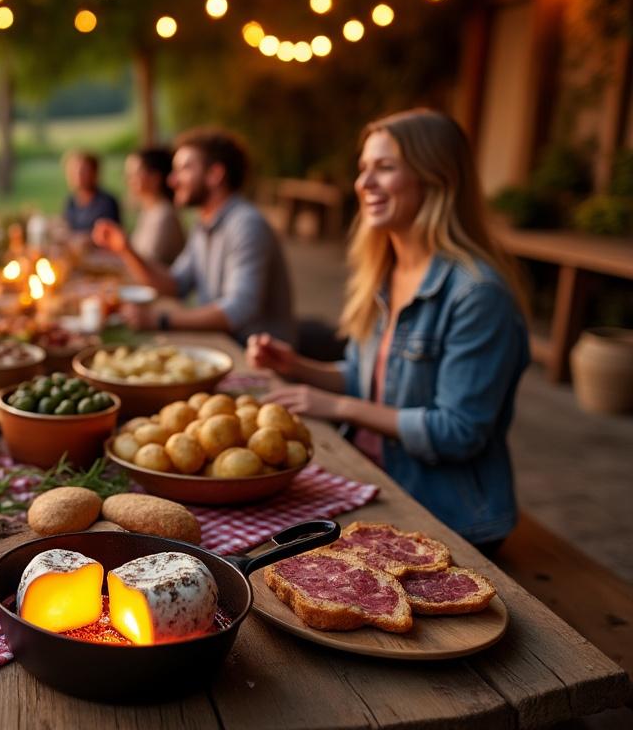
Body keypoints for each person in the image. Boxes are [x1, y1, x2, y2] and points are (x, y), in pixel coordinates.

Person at [247, 109, 529, 549]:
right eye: (363, 170)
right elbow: (369, 379)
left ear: (435, 178)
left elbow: (458, 432)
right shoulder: (384, 270)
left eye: (385, 168)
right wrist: (297, 366)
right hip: (375, 479)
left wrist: (338, 406)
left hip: (444, 514)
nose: (364, 184)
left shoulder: (477, 294)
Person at [93, 127, 295, 343]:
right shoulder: (202, 225)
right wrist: (126, 249)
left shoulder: (246, 224)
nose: (172, 180)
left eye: (184, 169)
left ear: (215, 175)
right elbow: (175, 285)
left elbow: (239, 309)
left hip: (255, 357)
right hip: (222, 343)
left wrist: (160, 319)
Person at [124, 147, 185, 266]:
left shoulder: (164, 217)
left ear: (155, 178)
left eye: (134, 174)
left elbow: (147, 266)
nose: (129, 181)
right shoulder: (150, 211)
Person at [62, 149, 121, 233]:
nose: (78, 175)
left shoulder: (106, 203)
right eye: (73, 170)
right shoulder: (71, 201)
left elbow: (108, 235)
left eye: (83, 171)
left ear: (94, 172)